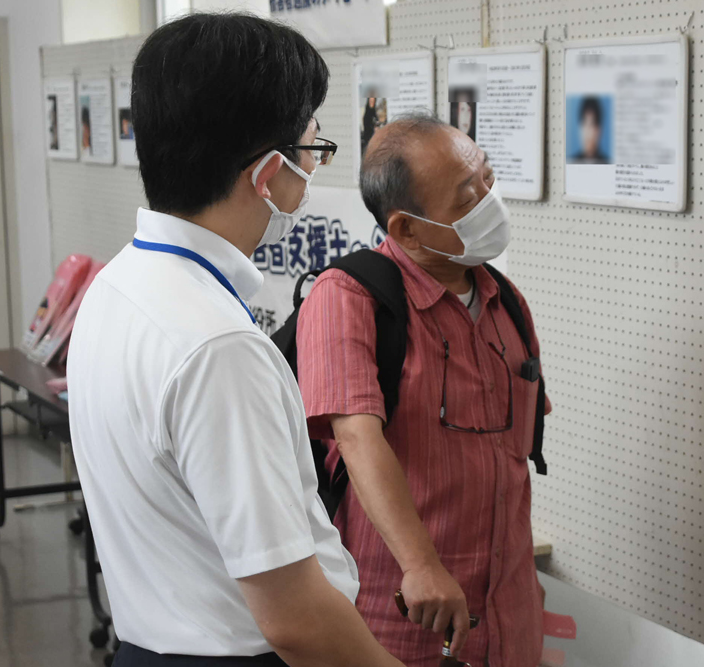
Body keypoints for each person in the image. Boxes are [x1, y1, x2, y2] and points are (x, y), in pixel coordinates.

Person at [68, 14, 406, 667]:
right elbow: (297, 618)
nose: (311, 173)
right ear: (268, 174)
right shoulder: (219, 347)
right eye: (312, 150)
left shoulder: (118, 284)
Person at [296, 113, 550, 667]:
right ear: (406, 229)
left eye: (487, 178)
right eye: (466, 197)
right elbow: (358, 439)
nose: (489, 200)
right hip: (402, 621)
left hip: (510, 622)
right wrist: (421, 565)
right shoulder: (348, 298)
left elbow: (512, 458)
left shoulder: (506, 301)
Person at [570, 96, 609, 164]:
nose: (587, 132)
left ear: (599, 130)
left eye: (591, 124)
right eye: (584, 124)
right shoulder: (572, 162)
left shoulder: (608, 163)